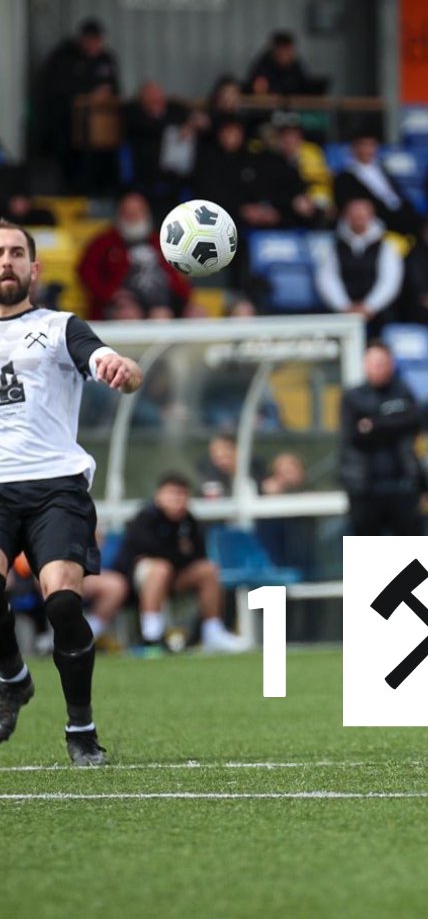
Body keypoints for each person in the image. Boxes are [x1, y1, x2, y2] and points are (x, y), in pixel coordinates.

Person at [0, 220, 142, 766]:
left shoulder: (60, 327)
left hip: (55, 484)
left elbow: (118, 371)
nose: (7, 261)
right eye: (0, 253)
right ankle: (13, 678)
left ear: (34, 269)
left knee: (62, 600)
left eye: (17, 253)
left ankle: (80, 727)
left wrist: (121, 368)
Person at [114, 473, 248, 653]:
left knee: (208, 570)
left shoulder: (189, 521)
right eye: (172, 494)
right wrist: (178, 553)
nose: (177, 500)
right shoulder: (146, 517)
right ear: (159, 496)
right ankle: (151, 637)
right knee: (160, 568)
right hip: (139, 580)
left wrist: (176, 555)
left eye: (182, 494)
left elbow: (197, 555)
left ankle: (213, 633)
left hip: (175, 576)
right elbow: (147, 549)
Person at [340, 344, 425, 535]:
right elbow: (354, 436)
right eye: (374, 363)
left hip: (403, 485)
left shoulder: (402, 391)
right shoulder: (353, 396)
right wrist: (393, 423)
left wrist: (375, 425)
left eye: (383, 363)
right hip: (364, 488)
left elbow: (415, 421)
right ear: (365, 365)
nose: (379, 368)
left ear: (391, 365)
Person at [33, 17, 121, 192]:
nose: (94, 45)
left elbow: (115, 88)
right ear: (83, 39)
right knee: (72, 173)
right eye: (91, 41)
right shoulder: (64, 57)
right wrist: (89, 93)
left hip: (100, 131)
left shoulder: (105, 59)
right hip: (67, 130)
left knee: (103, 169)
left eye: (98, 41)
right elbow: (55, 88)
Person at [76, 190, 192, 320]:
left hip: (164, 302)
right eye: (128, 211)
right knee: (130, 316)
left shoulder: (162, 242)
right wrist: (111, 294)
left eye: (137, 211)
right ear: (119, 214)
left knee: (192, 315)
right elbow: (86, 273)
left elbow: (179, 278)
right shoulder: (103, 242)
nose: (133, 216)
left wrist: (185, 301)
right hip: (124, 303)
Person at [313, 196, 404, 336]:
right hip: (342, 309)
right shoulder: (332, 246)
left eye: (363, 213)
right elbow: (328, 279)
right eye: (354, 214)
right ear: (346, 216)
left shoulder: (386, 246)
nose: (359, 217)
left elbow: (390, 281)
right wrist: (343, 306)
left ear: (371, 216)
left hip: (377, 311)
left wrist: (370, 306)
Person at [334, 130, 423, 237]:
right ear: (354, 148)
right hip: (376, 220)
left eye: (372, 145)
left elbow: (396, 195)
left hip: (400, 214)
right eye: (364, 145)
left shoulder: (382, 169)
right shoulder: (345, 176)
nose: (368, 150)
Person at [244, 31, 326, 96]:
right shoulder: (262, 65)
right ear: (275, 50)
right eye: (283, 49)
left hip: (294, 110)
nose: (286, 53)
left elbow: (303, 86)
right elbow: (255, 88)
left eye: (289, 49)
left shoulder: (295, 64)